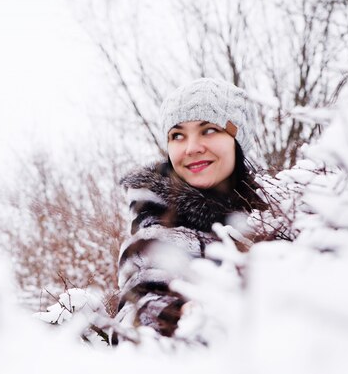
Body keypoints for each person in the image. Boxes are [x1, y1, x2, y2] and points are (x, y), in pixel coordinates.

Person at [114, 78, 268, 341]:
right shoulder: (157, 230)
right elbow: (137, 313)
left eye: (208, 130)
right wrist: (180, 316)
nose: (192, 148)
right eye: (177, 135)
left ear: (237, 138)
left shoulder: (277, 215)